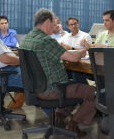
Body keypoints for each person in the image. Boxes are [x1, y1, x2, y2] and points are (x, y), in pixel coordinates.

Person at [20, 8, 96, 137]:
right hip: (53, 89)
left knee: (74, 84)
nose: (55, 26)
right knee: (95, 92)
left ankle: (60, 115)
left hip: (36, 88)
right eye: (54, 23)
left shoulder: (27, 39)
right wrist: (82, 51)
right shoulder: (46, 40)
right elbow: (74, 58)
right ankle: (74, 122)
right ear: (48, 21)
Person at [60, 17, 92, 84]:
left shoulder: (85, 36)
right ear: (68, 27)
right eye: (71, 25)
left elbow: (88, 51)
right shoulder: (65, 37)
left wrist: (71, 48)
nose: (74, 26)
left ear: (78, 24)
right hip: (67, 64)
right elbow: (60, 47)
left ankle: (82, 91)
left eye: (75, 24)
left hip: (80, 65)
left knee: (76, 73)